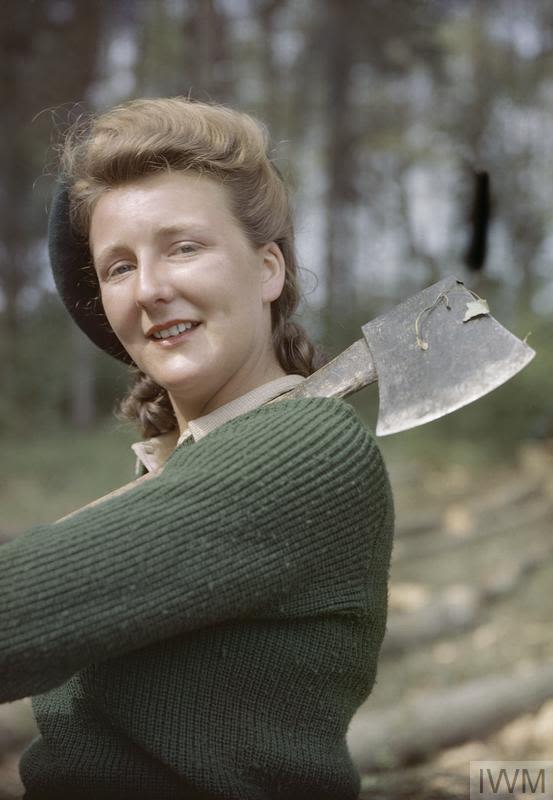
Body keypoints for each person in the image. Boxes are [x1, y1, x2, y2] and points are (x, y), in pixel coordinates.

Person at [1, 97, 394, 800]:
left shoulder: (304, 447)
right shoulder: (178, 466)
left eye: (184, 246)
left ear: (267, 269)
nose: (150, 288)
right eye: (118, 267)